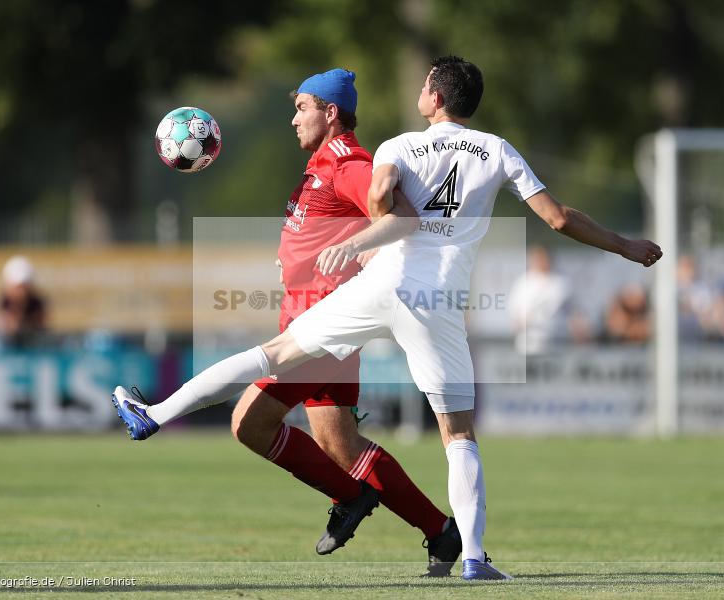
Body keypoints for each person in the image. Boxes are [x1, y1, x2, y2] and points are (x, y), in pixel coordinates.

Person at [112, 56, 662, 581]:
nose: (417, 90)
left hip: (383, 285)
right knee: (458, 433)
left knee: (274, 357)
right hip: (437, 300)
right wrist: (626, 246)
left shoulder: (397, 146)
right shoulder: (496, 149)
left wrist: (361, 243)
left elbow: (385, 203)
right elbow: (559, 218)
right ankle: (472, 557)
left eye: (423, 84)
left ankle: (159, 414)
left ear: (435, 96)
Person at [124, 69, 461, 576]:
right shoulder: (322, 163)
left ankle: (350, 497)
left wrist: (360, 256)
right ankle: (440, 532)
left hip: (322, 322)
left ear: (330, 112)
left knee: (250, 423)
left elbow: (399, 219)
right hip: (313, 314)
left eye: (302, 106)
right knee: (340, 445)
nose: (293, 117)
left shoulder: (348, 161)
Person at [507, 245, 589, 354]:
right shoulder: (522, 283)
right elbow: (514, 314)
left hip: (556, 344)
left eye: (543, 257)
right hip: (529, 346)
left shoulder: (562, 283)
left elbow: (575, 313)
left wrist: (580, 335)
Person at [0, 255, 48, 350]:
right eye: (18, 287)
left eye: (23, 286)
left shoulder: (36, 304)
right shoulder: (4, 302)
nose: (21, 291)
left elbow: (40, 325)